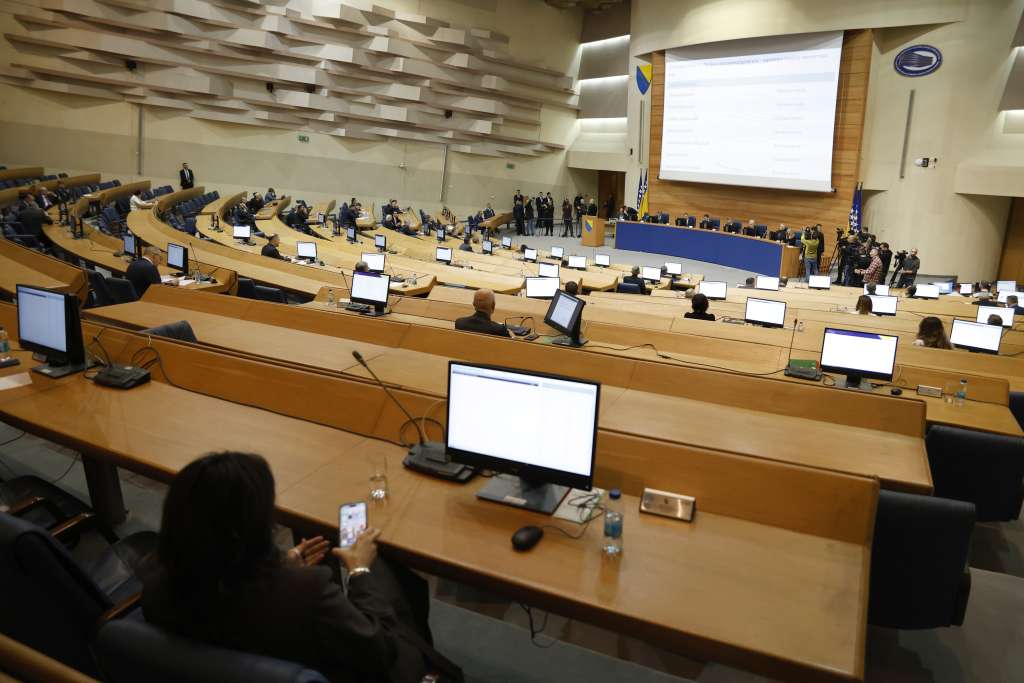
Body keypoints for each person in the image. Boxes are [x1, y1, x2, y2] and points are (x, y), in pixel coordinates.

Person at [141, 451, 457, 683]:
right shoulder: (307, 592)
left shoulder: (157, 587)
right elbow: (379, 649)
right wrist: (359, 571)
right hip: (365, 670)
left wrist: (280, 565)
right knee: (391, 576)